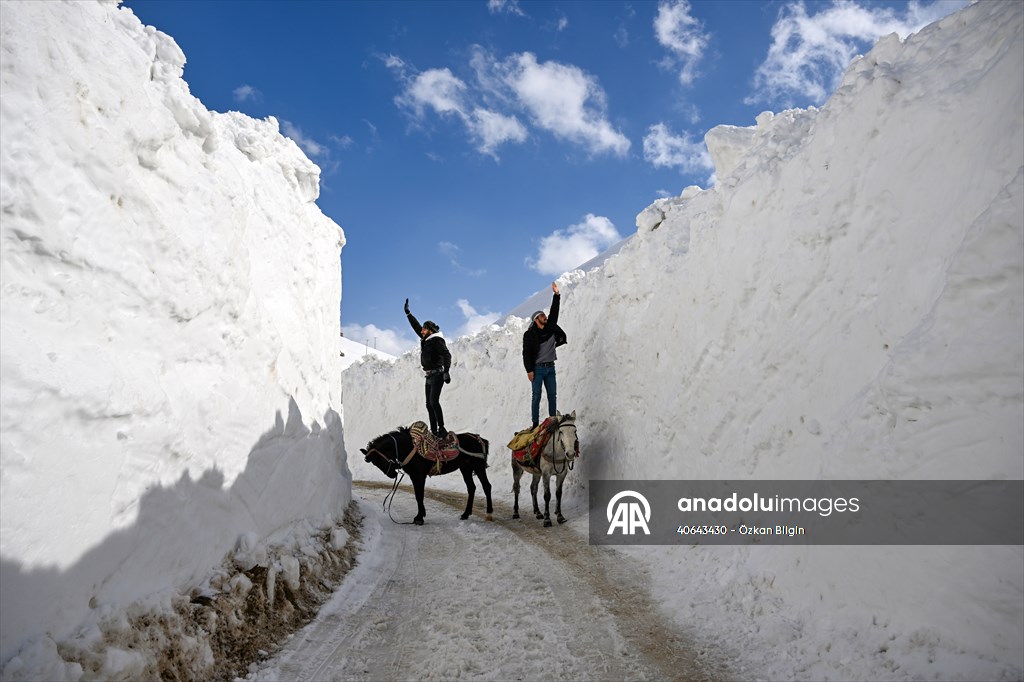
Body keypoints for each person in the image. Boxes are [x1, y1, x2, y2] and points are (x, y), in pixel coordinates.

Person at [522, 282, 567, 429]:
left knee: (552, 395)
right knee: (536, 396)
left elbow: (555, 311)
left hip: (550, 368)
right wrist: (529, 370)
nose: (545, 316)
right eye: (542, 316)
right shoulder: (529, 335)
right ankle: (535, 423)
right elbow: (526, 353)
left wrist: (556, 295)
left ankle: (553, 419)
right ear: (536, 320)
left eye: (544, 315)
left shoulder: (550, 327)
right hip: (537, 369)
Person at [405, 298, 452, 436]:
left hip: (438, 374)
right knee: (428, 404)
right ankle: (434, 430)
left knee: (434, 401)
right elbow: (416, 327)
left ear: (430, 330)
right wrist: (408, 314)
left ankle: (442, 428)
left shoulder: (437, 340)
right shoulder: (427, 339)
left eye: (424, 329)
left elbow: (447, 355)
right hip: (429, 376)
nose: (422, 331)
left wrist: (447, 372)